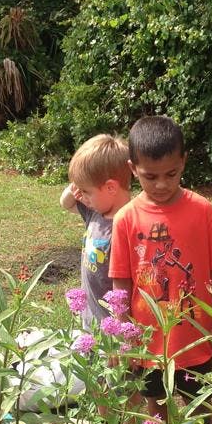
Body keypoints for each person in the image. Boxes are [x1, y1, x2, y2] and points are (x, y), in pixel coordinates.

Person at [109, 116, 212, 419]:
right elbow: (121, 282)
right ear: (132, 169)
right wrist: (126, 334)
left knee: (201, 410)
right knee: (157, 411)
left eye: (172, 173)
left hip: (195, 336)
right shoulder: (125, 218)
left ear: (184, 161)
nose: (162, 184)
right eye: (150, 176)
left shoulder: (203, 210)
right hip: (149, 342)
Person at [59, 134, 133, 327]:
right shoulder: (96, 212)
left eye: (86, 191)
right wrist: (77, 185)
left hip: (112, 327)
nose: (81, 197)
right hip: (90, 319)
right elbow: (65, 204)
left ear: (110, 188)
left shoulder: (129, 227)